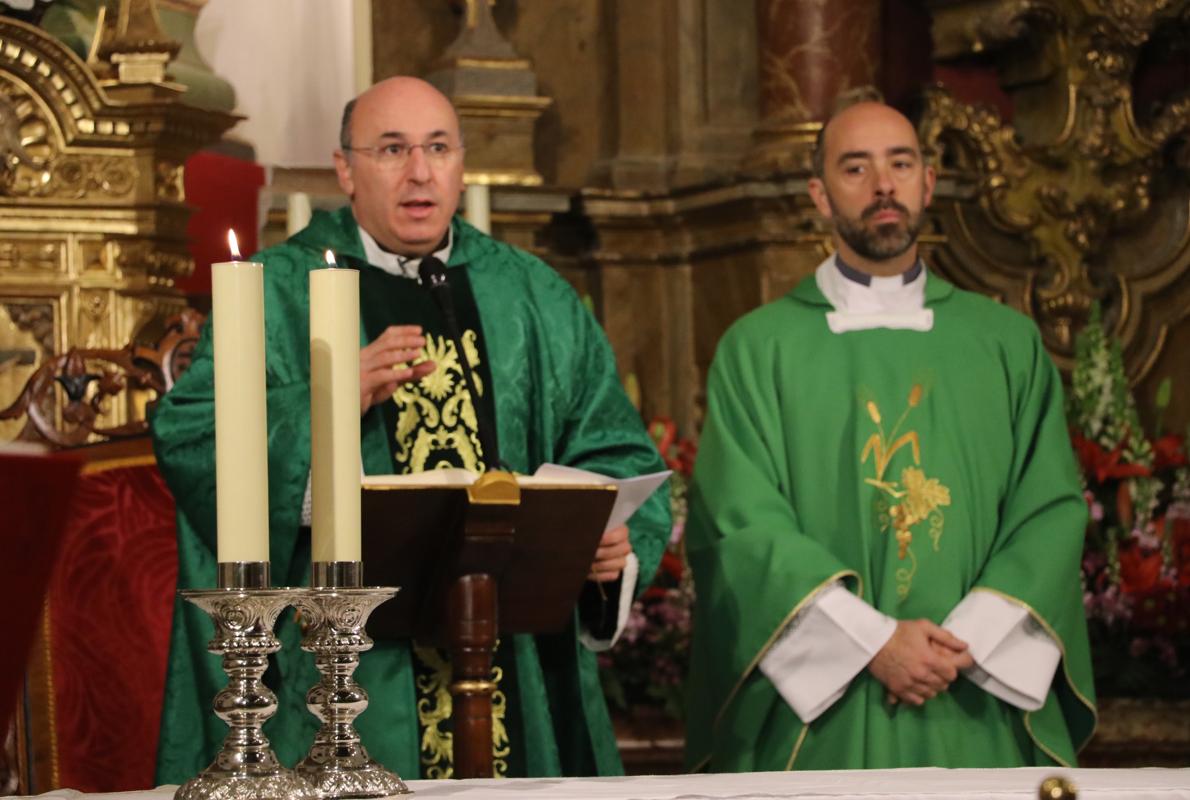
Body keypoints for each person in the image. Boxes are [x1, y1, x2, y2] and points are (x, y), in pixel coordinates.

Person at [152, 77, 670, 782]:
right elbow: (190, 438)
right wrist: (329, 398)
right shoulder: (275, 287)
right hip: (347, 665)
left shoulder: (529, 293)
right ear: (345, 169)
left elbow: (612, 446)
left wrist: (608, 543)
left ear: (462, 164)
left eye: (438, 148)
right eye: (392, 149)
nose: (420, 172)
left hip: (512, 655)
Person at [684, 95, 1096, 771]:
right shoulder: (759, 350)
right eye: (855, 168)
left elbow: (1048, 509)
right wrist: (873, 643)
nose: (883, 185)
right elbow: (741, 529)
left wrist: (959, 644)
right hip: (823, 723)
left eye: (900, 164)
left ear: (927, 182)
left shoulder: (1006, 345)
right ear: (819, 195)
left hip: (975, 698)